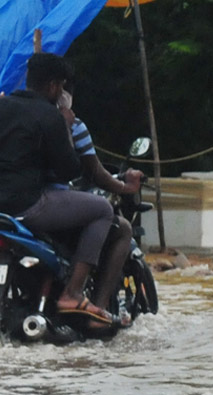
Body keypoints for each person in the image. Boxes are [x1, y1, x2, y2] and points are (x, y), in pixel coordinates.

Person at [0, 53, 139, 326]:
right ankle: (73, 293)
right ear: (55, 86)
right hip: (27, 207)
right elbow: (70, 170)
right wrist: (64, 124)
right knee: (102, 209)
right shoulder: (50, 116)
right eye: (62, 87)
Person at [58, 100, 143, 324]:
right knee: (110, 217)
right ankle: (94, 307)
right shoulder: (67, 124)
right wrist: (126, 188)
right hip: (45, 203)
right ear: (55, 87)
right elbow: (92, 172)